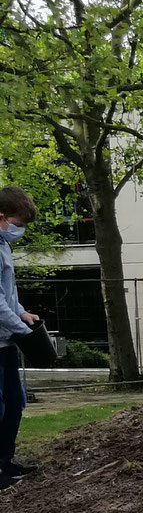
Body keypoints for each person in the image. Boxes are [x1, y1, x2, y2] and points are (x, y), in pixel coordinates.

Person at [0, 185, 41, 490]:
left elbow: (8, 294)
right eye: (18, 225)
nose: (19, 231)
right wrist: (21, 328)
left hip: (6, 341)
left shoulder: (4, 245)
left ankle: (5, 461)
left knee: (15, 402)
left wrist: (22, 313)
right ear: (2, 218)